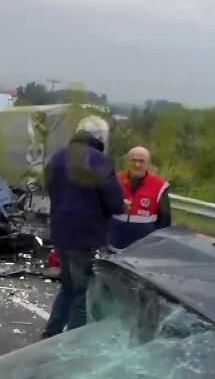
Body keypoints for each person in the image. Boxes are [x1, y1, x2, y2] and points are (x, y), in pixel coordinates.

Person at [42, 116, 125, 339]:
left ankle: (50, 334)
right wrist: (122, 205)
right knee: (82, 292)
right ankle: (72, 344)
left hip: (60, 232)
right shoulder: (99, 161)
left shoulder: (57, 157)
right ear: (100, 136)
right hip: (86, 235)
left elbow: (50, 189)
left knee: (68, 286)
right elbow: (114, 203)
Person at [109, 146, 171, 250]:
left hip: (143, 249)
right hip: (115, 243)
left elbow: (165, 221)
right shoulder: (114, 180)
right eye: (133, 160)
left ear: (148, 164)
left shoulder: (159, 185)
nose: (137, 165)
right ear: (127, 162)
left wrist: (159, 245)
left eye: (141, 161)